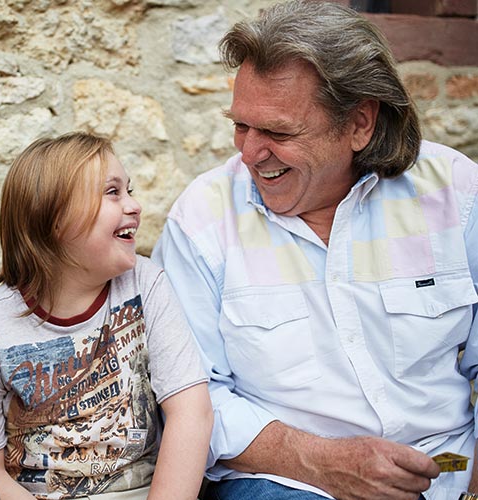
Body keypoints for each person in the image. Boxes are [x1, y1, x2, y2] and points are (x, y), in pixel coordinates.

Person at [152, 1, 478, 500]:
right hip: (287, 482)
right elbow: (191, 397)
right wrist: (321, 462)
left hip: (452, 469)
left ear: (360, 124)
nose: (248, 153)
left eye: (278, 132)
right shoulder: (202, 219)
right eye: (240, 125)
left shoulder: (456, 192)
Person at [0, 132, 213, 499]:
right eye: (113, 192)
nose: (134, 205)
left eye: (129, 190)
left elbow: (191, 414)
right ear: (54, 219)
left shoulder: (145, 285)